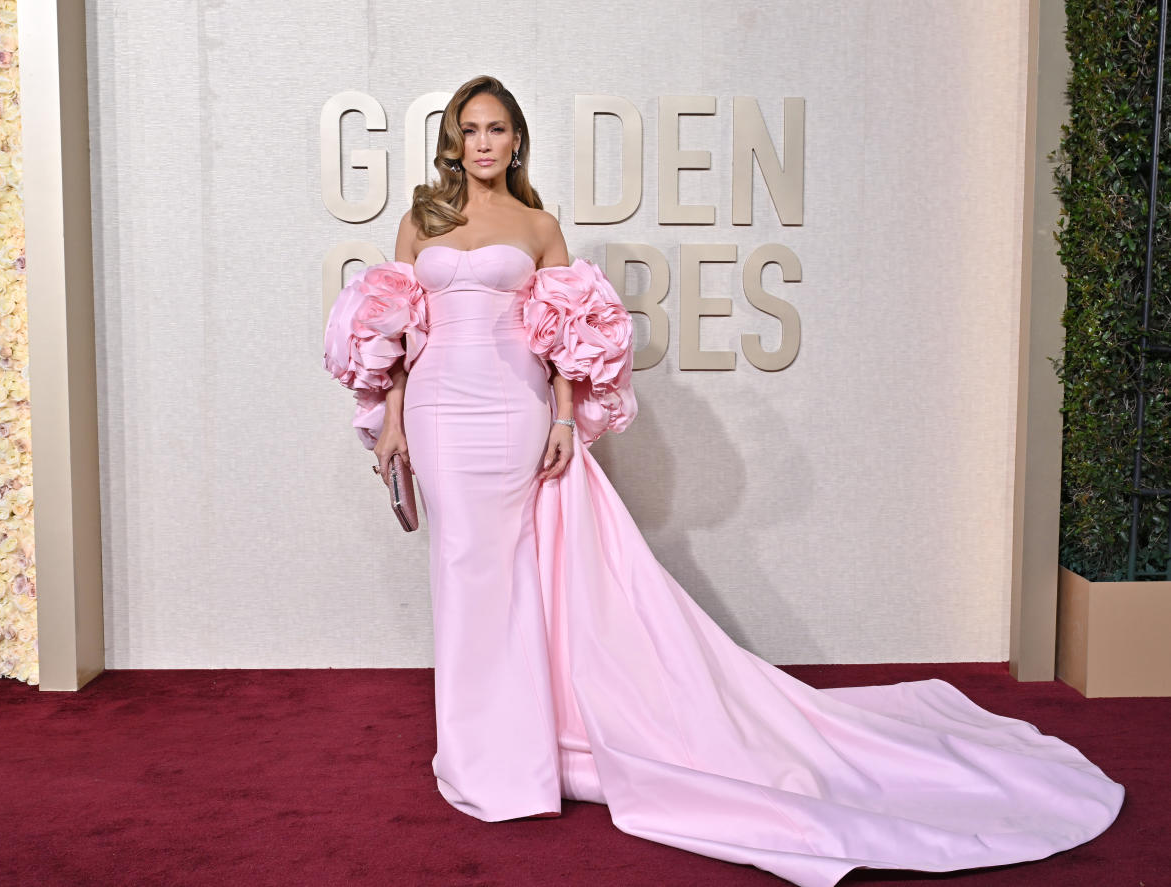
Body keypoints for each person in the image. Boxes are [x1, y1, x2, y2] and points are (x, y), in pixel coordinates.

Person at [324, 75, 1123, 887]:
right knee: (462, 575)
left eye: (497, 128)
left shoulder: (538, 226)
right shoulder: (422, 219)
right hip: (436, 411)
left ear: (517, 140)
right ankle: (478, 759)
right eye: (470, 129)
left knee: (515, 579)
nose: (483, 143)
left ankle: (522, 760)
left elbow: (567, 336)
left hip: (515, 410)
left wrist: (565, 419)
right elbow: (393, 327)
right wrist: (389, 417)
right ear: (453, 141)